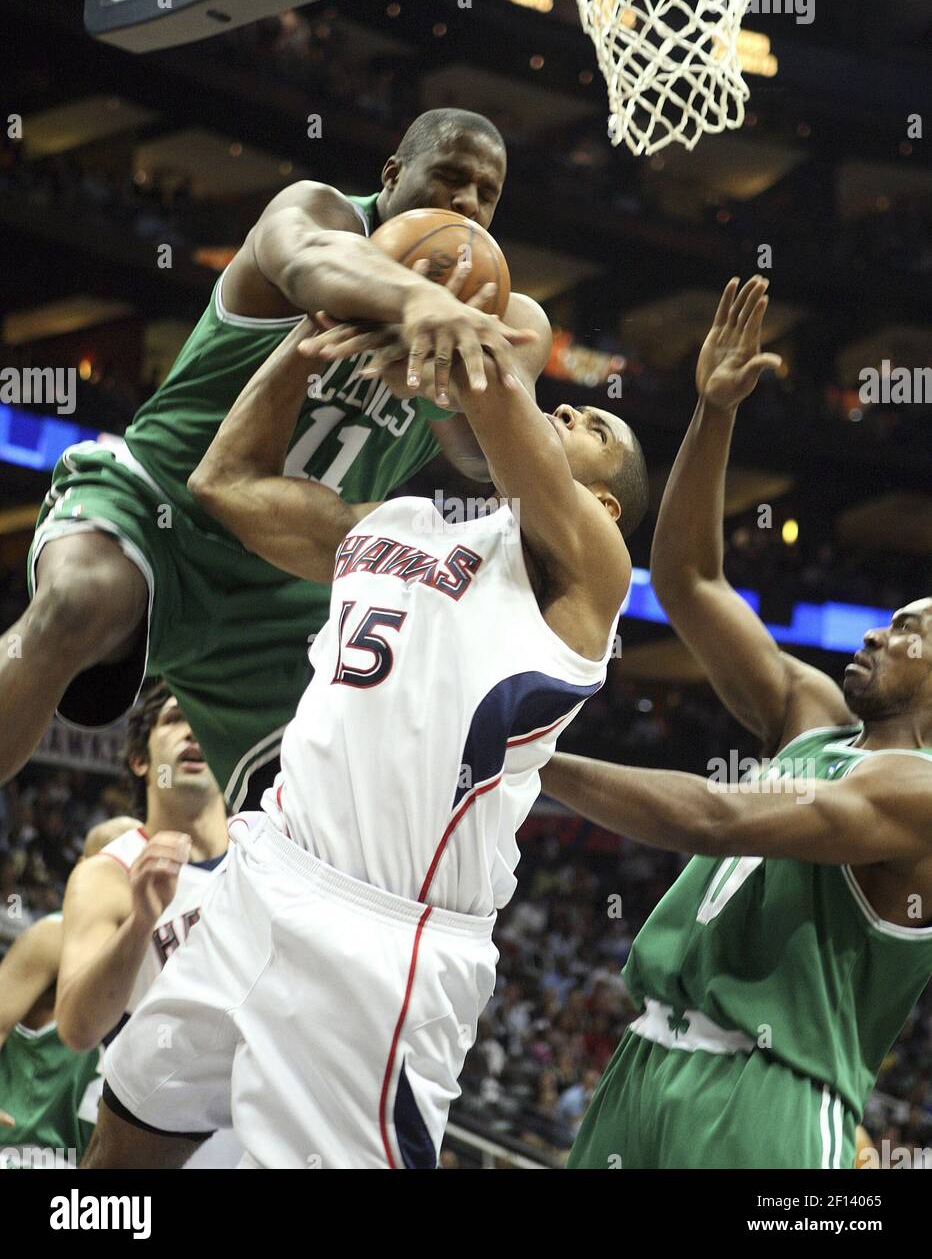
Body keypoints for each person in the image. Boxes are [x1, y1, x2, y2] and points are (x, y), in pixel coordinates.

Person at [82, 262, 647, 1169]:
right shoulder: (401, 521)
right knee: (119, 1149)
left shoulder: (588, 574)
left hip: (386, 942)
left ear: (608, 508)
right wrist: (306, 340)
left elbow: (504, 403)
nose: (571, 413)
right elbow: (224, 483)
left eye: (597, 426)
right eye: (572, 408)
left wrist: (424, 310)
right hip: (265, 871)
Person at [1, 108, 551, 810]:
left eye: (486, 192)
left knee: (327, 800)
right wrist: (412, 299)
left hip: (287, 580)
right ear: (393, 174)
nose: (467, 202)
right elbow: (306, 261)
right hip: (159, 509)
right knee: (77, 602)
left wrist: (463, 387)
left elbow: (483, 462)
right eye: (449, 176)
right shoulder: (318, 212)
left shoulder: (511, 319)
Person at [541, 276, 932, 1169]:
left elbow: (716, 816)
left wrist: (529, 756)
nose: (878, 629)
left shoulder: (920, 790)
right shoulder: (814, 718)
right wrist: (713, 413)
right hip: (645, 1063)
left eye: (908, 630)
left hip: (772, 1100)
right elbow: (689, 581)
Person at [56, 684, 239, 1168]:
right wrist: (140, 923)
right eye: (176, 718)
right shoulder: (109, 873)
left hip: (253, 1131)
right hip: (142, 1136)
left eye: (205, 720)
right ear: (141, 761)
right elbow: (77, 1026)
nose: (194, 730)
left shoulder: (267, 859)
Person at [0, 815, 139, 1167]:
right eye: (110, 863)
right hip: (22, 1150)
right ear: (82, 869)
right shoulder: (52, 937)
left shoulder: (157, 956)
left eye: (133, 861)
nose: (121, 875)